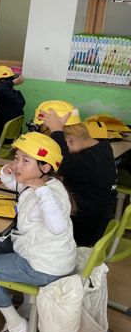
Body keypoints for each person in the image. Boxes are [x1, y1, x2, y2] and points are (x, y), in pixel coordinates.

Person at [0, 132, 76, 332]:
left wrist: (41, 191)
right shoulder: (45, 183)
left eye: (25, 161)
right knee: (1, 245)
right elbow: (15, 185)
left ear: (45, 168)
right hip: (48, 257)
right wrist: (6, 172)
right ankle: (23, 301)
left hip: (42, 266)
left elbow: (57, 227)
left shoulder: (48, 193)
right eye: (16, 158)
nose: (17, 164)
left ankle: (14, 322)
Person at [37, 100, 118, 246]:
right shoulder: (102, 147)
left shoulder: (87, 162)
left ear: (70, 141)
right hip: (96, 216)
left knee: (33, 219)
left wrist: (56, 131)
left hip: (83, 229)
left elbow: (63, 164)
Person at [0, 65, 25, 147]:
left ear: (1, 82)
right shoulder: (17, 96)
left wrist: (13, 82)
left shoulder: (4, 94)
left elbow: (0, 89)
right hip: (11, 139)